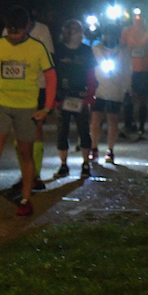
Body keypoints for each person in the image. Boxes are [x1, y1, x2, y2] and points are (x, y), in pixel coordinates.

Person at [0, 7, 56, 218]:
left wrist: (47, 107)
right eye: (10, 31)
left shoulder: (37, 47)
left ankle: (26, 199)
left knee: (25, 153)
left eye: (17, 32)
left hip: (26, 108)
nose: (13, 37)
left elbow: (51, 76)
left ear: (27, 28)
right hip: (1, 105)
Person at [3, 14, 54, 190]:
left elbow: (49, 57)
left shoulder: (42, 30)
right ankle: (25, 173)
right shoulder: (7, 31)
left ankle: (36, 175)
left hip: (37, 86)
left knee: (36, 128)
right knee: (18, 131)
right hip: (15, 88)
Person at [53, 19, 95, 179]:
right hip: (62, 96)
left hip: (80, 96)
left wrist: (90, 95)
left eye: (78, 29)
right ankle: (63, 164)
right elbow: (53, 74)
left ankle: (86, 163)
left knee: (84, 130)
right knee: (62, 131)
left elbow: (91, 74)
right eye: (72, 29)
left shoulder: (86, 50)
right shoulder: (59, 50)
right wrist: (54, 97)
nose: (76, 32)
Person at [89, 20, 131, 165]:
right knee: (96, 119)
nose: (110, 38)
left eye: (113, 35)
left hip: (115, 89)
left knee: (113, 120)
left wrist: (127, 88)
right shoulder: (97, 48)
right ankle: (94, 148)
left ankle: (110, 150)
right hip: (99, 88)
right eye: (107, 34)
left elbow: (127, 70)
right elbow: (98, 62)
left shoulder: (123, 51)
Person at [120, 11, 148, 138]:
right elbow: (122, 46)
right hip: (130, 69)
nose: (138, 18)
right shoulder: (126, 30)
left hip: (145, 69)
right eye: (135, 15)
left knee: (142, 98)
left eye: (141, 15)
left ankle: (141, 126)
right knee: (128, 97)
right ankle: (128, 125)